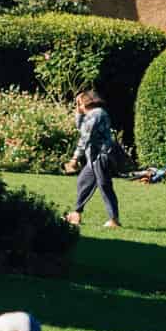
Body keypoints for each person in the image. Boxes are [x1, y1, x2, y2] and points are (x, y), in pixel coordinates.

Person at [63, 90, 123, 230]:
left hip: (101, 155)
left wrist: (75, 158)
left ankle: (114, 220)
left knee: (104, 186)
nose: (77, 105)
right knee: (83, 181)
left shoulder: (97, 113)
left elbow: (86, 138)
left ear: (85, 102)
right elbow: (81, 129)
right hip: (93, 157)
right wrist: (78, 112)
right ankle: (76, 214)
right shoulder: (92, 114)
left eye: (78, 103)